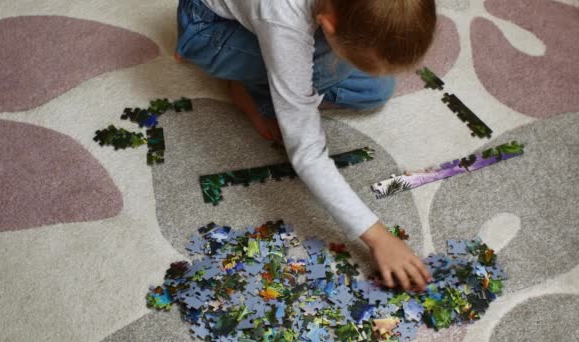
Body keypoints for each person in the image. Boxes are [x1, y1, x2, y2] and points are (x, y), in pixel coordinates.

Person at [176, 0, 436, 291]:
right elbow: (307, 152)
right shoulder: (284, 19)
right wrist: (377, 236)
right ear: (328, 26)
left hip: (264, 18)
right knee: (327, 67)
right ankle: (250, 89)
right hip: (206, 29)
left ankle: (270, 84)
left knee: (376, 89)